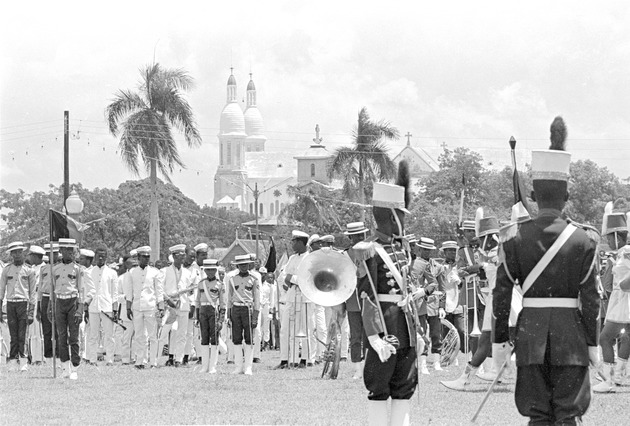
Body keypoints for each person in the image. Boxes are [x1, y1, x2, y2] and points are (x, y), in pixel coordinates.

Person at [493, 117, 600, 425]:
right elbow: (591, 300)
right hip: (572, 340)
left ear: (534, 197)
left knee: (537, 416)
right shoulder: (585, 238)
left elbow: (501, 295)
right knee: (568, 415)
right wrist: (592, 343)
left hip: (529, 338)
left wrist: (500, 343)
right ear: (566, 197)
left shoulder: (513, 237)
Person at [355, 162, 420, 426]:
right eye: (401, 215)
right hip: (385, 327)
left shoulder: (402, 249)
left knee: (404, 383)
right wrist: (374, 336)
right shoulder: (368, 249)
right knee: (379, 385)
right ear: (392, 216)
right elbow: (366, 296)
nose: (404, 220)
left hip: (405, 325)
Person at [441, 213, 500, 390]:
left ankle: (468, 378)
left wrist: (470, 269)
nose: (479, 241)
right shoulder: (491, 253)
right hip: (496, 301)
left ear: (489, 238)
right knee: (489, 340)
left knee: (491, 340)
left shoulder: (498, 253)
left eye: (481, 238)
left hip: (504, 302)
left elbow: (483, 268)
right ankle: (495, 372)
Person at [593, 204, 630, 392]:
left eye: (609, 237)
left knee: (605, 338)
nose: (607, 241)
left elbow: (624, 282)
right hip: (620, 300)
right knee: (627, 338)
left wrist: (624, 285)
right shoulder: (620, 254)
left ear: (617, 237)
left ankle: (608, 380)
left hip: (624, 301)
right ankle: (619, 376)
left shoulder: (626, 252)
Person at [50, 238, 87, 380]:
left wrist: (80, 308)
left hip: (73, 301)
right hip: (60, 301)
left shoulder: (78, 269)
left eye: (72, 250)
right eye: (67, 250)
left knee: (74, 336)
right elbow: (53, 289)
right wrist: (50, 307)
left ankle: (75, 366)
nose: (71, 253)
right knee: (61, 336)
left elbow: (81, 289)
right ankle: (65, 366)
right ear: (61, 251)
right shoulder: (55, 269)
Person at [124, 246, 164, 369]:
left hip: (151, 306)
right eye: (144, 257)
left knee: (153, 336)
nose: (146, 259)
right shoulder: (131, 272)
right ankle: (139, 361)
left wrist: (161, 306)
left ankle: (153, 361)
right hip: (136, 306)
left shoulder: (155, 272)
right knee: (139, 335)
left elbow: (159, 291)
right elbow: (129, 292)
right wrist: (128, 307)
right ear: (139, 257)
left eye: (148, 257)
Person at [275, 230, 309, 369]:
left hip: (304, 296)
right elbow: (284, 276)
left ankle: (304, 359)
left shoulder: (309, 258)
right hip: (291, 295)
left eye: (294, 241)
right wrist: (292, 279)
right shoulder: (292, 258)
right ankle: (285, 359)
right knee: (285, 328)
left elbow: (306, 279)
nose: (292, 244)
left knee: (303, 330)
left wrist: (292, 278)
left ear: (300, 242)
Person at [0, 242, 36, 371]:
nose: (17, 254)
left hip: (24, 303)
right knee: (12, 334)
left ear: (23, 252)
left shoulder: (29, 270)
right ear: (11, 254)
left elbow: (33, 293)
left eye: (19, 252)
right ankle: (13, 360)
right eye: (14, 252)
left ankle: (24, 361)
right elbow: (1, 289)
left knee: (23, 334)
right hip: (10, 303)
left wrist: (31, 311)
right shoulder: (7, 269)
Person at [160, 244, 196, 367]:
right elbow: (160, 289)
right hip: (170, 306)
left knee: (182, 333)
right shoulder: (165, 271)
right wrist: (168, 299)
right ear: (174, 256)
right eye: (180, 256)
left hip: (184, 305)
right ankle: (166, 356)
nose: (182, 258)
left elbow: (191, 290)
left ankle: (178, 359)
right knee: (169, 331)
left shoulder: (187, 272)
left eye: (183, 256)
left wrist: (191, 301)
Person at [410, 237, 441, 375]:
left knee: (421, 333)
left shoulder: (423, 264)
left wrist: (423, 291)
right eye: (425, 250)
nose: (427, 252)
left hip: (418, 304)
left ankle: (423, 365)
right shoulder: (398, 263)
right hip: (401, 304)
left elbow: (433, 283)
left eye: (429, 250)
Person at [226, 254, 260, 375]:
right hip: (236, 308)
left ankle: (248, 367)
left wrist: (255, 316)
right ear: (237, 266)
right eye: (241, 265)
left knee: (249, 338)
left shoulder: (254, 279)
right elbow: (229, 298)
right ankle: (238, 366)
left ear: (249, 265)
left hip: (248, 309)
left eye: (245, 264)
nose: (243, 267)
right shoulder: (232, 279)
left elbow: (257, 299)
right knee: (236, 338)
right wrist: (228, 315)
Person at [344, 221, 370, 380]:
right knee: (355, 337)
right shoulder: (345, 254)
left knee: (370, 335)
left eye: (361, 235)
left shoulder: (370, 251)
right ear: (350, 237)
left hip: (369, 299)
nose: (360, 238)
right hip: (352, 300)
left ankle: (369, 366)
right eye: (356, 236)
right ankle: (357, 369)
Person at [85, 246, 119, 366]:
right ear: (95, 257)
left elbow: (115, 293)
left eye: (103, 256)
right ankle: (92, 359)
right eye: (98, 256)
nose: (100, 258)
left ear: (106, 257)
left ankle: (109, 359)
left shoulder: (112, 273)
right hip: (93, 307)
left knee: (109, 335)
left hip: (107, 308)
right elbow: (86, 291)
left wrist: (115, 310)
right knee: (93, 335)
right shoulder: (89, 272)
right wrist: (85, 308)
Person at [196, 258, 225, 374]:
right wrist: (197, 316)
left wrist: (221, 319)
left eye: (213, 270)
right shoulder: (201, 283)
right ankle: (204, 366)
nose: (210, 272)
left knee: (214, 338)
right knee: (204, 338)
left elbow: (222, 303)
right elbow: (197, 301)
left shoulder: (220, 284)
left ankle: (212, 366)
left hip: (214, 311)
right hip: (203, 310)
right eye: (208, 270)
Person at [439, 240, 465, 359]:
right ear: (444, 252)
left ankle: (465, 354)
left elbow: (468, 283)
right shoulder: (440, 267)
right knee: (446, 331)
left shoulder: (460, 266)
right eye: (449, 250)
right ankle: (447, 356)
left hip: (459, 303)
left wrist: (460, 282)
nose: (451, 253)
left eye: (453, 250)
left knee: (461, 329)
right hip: (446, 303)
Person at [37, 242, 59, 364]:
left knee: (58, 328)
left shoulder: (61, 267)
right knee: (46, 329)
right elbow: (40, 287)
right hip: (45, 298)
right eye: (49, 254)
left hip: (56, 298)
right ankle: (48, 354)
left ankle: (59, 354)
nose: (52, 256)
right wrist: (39, 305)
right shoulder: (43, 268)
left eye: (54, 253)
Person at [27, 245, 46, 365]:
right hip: (31, 300)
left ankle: (39, 357)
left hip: (40, 301)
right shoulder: (31, 269)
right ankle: (32, 356)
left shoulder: (44, 268)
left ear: (35, 256)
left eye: (31, 255)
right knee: (31, 332)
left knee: (39, 331)